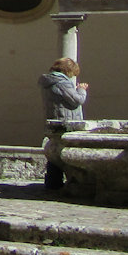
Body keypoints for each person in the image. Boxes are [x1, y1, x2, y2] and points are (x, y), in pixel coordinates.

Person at [38, 57, 88, 190]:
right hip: (66, 120)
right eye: (73, 73)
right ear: (68, 71)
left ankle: (53, 182)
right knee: (65, 151)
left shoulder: (48, 81)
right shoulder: (62, 83)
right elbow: (77, 100)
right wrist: (81, 89)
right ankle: (71, 182)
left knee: (55, 151)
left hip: (54, 118)